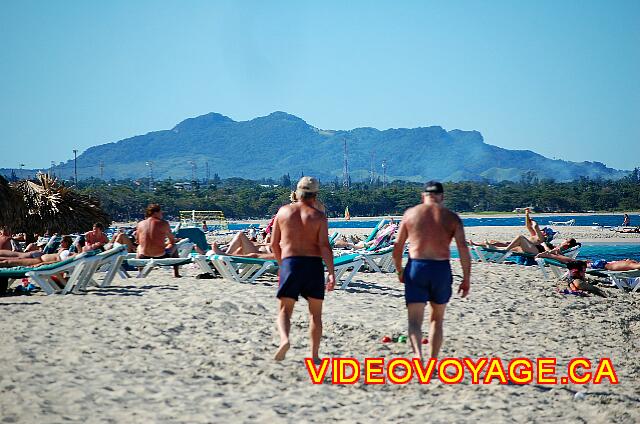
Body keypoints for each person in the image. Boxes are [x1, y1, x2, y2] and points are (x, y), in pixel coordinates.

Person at [392, 181, 471, 360]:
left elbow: (397, 247)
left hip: (417, 267)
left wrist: (399, 270)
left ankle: (418, 356)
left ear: (423, 196)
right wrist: (466, 278)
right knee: (437, 319)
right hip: (440, 269)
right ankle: (433, 362)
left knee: (414, 321)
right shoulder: (451, 217)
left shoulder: (410, 214)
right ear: (442, 197)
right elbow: (463, 248)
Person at [270, 176, 335, 362]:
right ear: (315, 195)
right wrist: (331, 272)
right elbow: (324, 246)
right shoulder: (319, 217)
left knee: (284, 310)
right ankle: (314, 356)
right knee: (315, 315)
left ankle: (284, 340)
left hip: (291, 263)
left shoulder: (283, 212)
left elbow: (274, 244)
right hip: (313, 265)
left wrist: (282, 266)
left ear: (297, 193)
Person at [136, 204, 181, 278]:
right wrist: (167, 244)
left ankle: (141, 272)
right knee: (174, 246)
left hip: (144, 255)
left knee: (139, 247)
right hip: (160, 255)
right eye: (161, 212)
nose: (162, 214)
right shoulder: (164, 223)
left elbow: (138, 241)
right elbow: (172, 241)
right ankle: (176, 273)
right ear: (155, 213)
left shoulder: (140, 224)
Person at [0, 236, 75, 267]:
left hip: (39, 261)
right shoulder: (64, 251)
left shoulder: (71, 255)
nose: (60, 243)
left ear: (67, 243)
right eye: (61, 241)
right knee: (16, 256)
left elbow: (58, 262)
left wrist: (42, 263)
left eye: (62, 241)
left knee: (9, 261)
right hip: (40, 257)